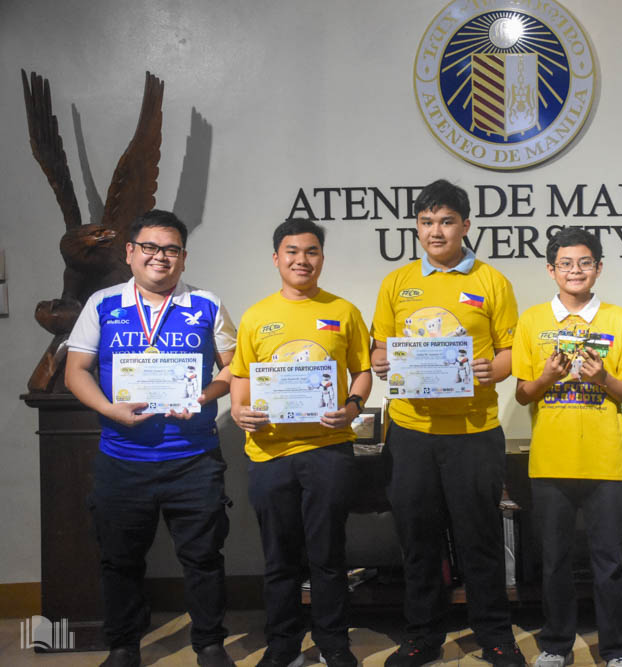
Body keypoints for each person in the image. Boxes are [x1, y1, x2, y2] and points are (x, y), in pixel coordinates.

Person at [65, 209, 237, 667]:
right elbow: (75, 370)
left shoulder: (206, 305)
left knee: (203, 558)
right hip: (122, 458)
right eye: (151, 247)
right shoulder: (103, 304)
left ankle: (210, 645)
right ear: (131, 252)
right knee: (119, 561)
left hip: (193, 458)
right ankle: (123, 647)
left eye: (171, 249)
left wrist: (204, 396)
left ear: (183, 258)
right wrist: (108, 409)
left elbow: (234, 369)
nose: (161, 257)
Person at [370, 179, 525, 667]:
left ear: (465, 225)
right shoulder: (396, 282)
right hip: (411, 431)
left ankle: (495, 635)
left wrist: (490, 369)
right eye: (426, 222)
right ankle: (422, 635)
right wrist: (380, 362)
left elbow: (510, 352)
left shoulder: (491, 281)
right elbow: (380, 347)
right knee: (418, 539)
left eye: (446, 221)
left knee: (478, 538)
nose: (436, 231)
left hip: (474, 431)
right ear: (417, 228)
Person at [230, 218, 372, 667]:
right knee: (279, 558)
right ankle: (283, 643)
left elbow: (363, 371)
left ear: (322, 259)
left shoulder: (345, 311)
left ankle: (333, 643)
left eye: (311, 252)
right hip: (269, 454)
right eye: (292, 252)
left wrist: (351, 406)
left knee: (328, 555)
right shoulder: (256, 315)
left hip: (328, 451)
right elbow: (240, 376)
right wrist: (238, 411)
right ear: (277, 259)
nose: (301, 260)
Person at [511, 228, 622, 667]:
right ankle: (555, 644)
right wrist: (549, 377)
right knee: (555, 561)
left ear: (599, 267)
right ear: (551, 270)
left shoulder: (619, 320)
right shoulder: (532, 321)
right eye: (565, 263)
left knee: (608, 561)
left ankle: (616, 649)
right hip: (550, 461)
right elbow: (522, 393)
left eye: (585, 262)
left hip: (606, 461)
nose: (575, 271)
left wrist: (600, 378)